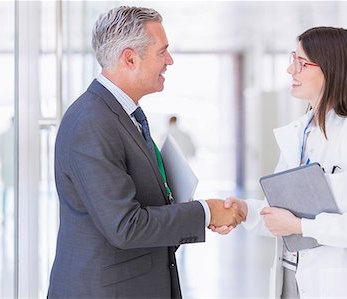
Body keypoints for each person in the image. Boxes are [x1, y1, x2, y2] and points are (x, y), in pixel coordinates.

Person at [47, 6, 244, 298]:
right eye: (162, 52)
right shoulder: (92, 121)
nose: (170, 61)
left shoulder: (120, 114)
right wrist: (205, 212)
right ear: (129, 58)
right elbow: (124, 225)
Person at [212, 26, 347, 298]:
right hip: (289, 278)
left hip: (335, 284)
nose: (291, 70)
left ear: (332, 69)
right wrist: (245, 211)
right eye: (292, 59)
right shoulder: (300, 132)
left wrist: (301, 227)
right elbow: (282, 214)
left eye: (301, 62)